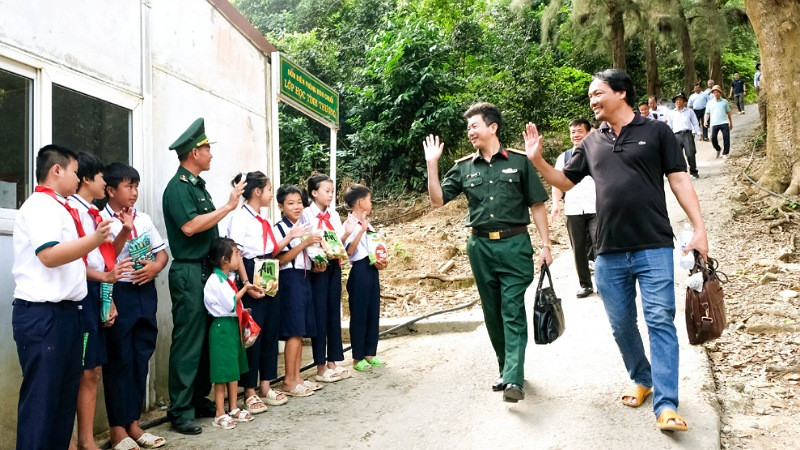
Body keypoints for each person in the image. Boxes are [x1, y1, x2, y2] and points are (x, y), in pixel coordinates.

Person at [524, 68, 709, 432]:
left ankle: (667, 404)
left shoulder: (657, 132)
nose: (592, 100)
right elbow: (565, 181)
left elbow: (679, 179)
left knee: (659, 321)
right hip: (608, 251)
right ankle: (642, 377)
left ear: (621, 93)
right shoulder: (591, 142)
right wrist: (538, 161)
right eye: (591, 95)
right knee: (622, 324)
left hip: (653, 244)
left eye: (598, 93)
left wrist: (699, 229)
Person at [424, 102, 552, 403]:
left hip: (514, 245)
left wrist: (546, 245)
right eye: (468, 127)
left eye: (474, 126)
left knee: (511, 308)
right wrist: (432, 164)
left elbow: (537, 205)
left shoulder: (520, 163)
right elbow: (437, 200)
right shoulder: (463, 167)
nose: (470, 131)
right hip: (479, 247)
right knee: (492, 312)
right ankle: (505, 368)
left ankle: (513, 379)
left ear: (492, 127)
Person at [12, 145, 113, 449]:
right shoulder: (40, 206)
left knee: (62, 403)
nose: (78, 176)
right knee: (42, 405)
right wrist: (93, 240)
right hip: (44, 315)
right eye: (73, 170)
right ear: (56, 171)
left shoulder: (62, 207)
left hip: (69, 313)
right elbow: (49, 255)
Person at [162, 118, 246, 435]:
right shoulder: (178, 188)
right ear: (194, 153)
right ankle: (180, 409)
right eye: (207, 148)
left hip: (207, 270)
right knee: (188, 341)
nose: (211, 153)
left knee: (208, 338)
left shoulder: (197, 186)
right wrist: (227, 207)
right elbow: (190, 227)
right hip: (188, 270)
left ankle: (197, 399)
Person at [101, 163, 169, 449]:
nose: (134, 192)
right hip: (119, 292)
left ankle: (134, 424)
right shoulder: (101, 221)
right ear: (110, 190)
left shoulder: (143, 218)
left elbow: (162, 254)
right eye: (128, 187)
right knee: (119, 359)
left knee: (141, 357)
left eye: (136, 186)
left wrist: (154, 268)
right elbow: (102, 261)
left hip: (144, 292)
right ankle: (117, 428)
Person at [68, 152, 130, 450]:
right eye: (102, 177)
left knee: (93, 369)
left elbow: (107, 257)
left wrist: (108, 296)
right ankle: (70, 440)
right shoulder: (71, 211)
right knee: (78, 368)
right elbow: (73, 260)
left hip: (98, 290)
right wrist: (103, 281)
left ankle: (86, 439)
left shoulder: (95, 213)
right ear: (87, 179)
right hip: (79, 292)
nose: (106, 182)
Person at [226, 171, 290, 413]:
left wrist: (293, 237)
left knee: (271, 328)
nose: (272, 194)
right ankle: (249, 391)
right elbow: (237, 253)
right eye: (269, 189)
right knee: (253, 333)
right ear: (257, 192)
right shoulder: (240, 218)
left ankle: (266, 384)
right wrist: (246, 283)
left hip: (269, 269)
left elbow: (272, 249)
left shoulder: (264, 219)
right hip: (251, 270)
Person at [272, 185, 323, 397]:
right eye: (291, 203)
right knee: (293, 330)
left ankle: (297, 377)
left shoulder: (305, 225)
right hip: (289, 279)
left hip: (304, 277)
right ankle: (288, 381)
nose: (296, 207)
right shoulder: (280, 229)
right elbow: (280, 258)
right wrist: (304, 243)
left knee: (300, 330)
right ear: (281, 206)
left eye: (299, 202)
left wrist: (318, 260)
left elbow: (309, 252)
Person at [202, 237, 259, 429]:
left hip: (232, 326)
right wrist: (245, 289)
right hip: (221, 328)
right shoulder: (215, 280)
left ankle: (233, 407)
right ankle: (219, 413)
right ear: (225, 259)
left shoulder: (228, 279)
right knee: (221, 373)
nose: (239, 257)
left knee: (233, 370)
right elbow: (230, 303)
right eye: (236, 254)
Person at [302, 174, 353, 382]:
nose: (330, 195)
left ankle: (333, 361)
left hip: (333, 264)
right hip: (317, 266)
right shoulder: (306, 214)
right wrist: (317, 257)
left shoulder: (332, 215)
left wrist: (346, 233)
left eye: (332, 191)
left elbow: (337, 241)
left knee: (333, 311)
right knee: (319, 313)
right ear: (314, 193)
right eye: (326, 191)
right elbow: (306, 240)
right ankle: (320, 365)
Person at [343, 184, 389, 373]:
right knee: (360, 314)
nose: (371, 203)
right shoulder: (349, 224)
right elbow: (349, 251)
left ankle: (370, 352)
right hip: (359, 269)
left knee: (372, 311)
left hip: (371, 268)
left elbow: (374, 246)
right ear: (361, 202)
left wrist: (381, 260)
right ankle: (357, 357)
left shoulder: (367, 223)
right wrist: (360, 230)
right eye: (369, 199)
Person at [551, 119, 596, 298]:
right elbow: (556, 182)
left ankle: (603, 281)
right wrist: (556, 204)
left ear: (588, 132)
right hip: (573, 208)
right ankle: (585, 284)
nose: (575, 135)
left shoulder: (598, 152)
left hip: (597, 206)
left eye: (579, 131)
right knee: (578, 249)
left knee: (600, 245)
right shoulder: (564, 157)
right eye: (572, 132)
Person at [666, 93, 702, 179]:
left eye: (680, 100)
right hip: (676, 136)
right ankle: (682, 173)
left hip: (687, 134)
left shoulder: (689, 111)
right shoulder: (671, 113)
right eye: (677, 100)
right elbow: (669, 126)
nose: (678, 101)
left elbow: (695, 123)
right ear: (675, 102)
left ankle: (693, 171)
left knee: (690, 153)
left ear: (684, 101)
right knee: (677, 156)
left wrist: (699, 133)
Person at [705, 85, 733, 160]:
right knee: (713, 138)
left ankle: (725, 153)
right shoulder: (709, 103)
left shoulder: (725, 102)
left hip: (724, 122)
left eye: (717, 92)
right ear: (713, 93)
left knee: (726, 138)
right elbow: (707, 113)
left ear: (720, 93)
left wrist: (730, 122)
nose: (716, 94)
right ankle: (718, 149)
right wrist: (705, 121)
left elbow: (728, 112)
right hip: (714, 123)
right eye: (714, 92)